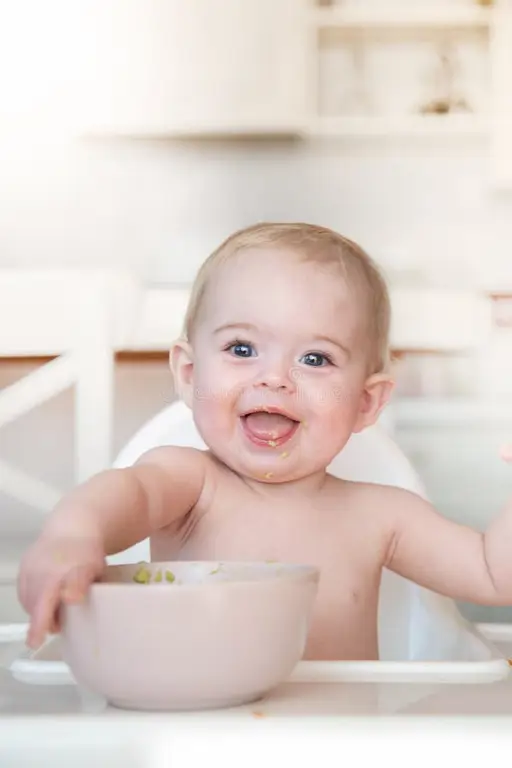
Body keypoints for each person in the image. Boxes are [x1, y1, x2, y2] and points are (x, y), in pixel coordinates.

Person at [17, 222, 512, 659]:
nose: (274, 378)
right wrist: (74, 534)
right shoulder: (190, 485)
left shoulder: (384, 516)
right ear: (189, 374)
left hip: (342, 743)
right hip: (198, 740)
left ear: (366, 402)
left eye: (315, 359)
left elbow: (493, 574)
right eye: (242, 348)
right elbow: (125, 495)